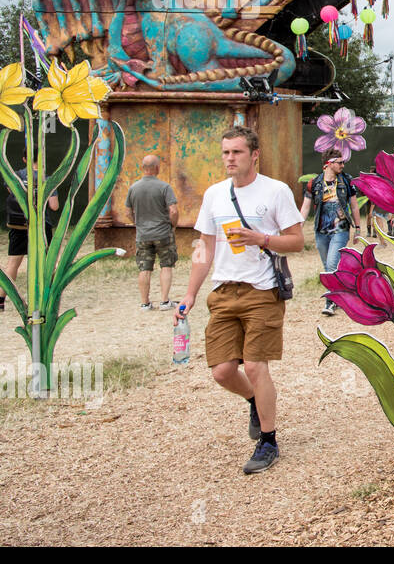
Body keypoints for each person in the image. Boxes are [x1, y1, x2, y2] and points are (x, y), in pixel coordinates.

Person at [178, 126, 304, 475]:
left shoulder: (275, 191)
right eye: (225, 153)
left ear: (254, 155)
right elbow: (204, 248)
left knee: (254, 365)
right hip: (224, 291)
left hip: (262, 291)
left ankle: (268, 441)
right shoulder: (215, 195)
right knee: (221, 372)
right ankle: (253, 400)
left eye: (236, 152)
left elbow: (296, 241)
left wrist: (260, 238)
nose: (229, 159)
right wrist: (189, 293)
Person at [299, 149, 361, 316]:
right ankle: (341, 294)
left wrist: (358, 228)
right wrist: (298, 227)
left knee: (332, 264)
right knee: (328, 266)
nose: (342, 165)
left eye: (343, 162)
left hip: (340, 230)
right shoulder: (314, 183)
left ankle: (330, 302)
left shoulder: (347, 181)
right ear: (328, 164)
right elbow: (305, 207)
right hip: (321, 230)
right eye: (339, 162)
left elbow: (354, 206)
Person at [2, 158, 59, 313]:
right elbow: (54, 206)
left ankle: (1, 300)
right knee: (46, 264)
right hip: (41, 226)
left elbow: (11, 191)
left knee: (13, 264)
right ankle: (46, 299)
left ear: (24, 159)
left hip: (19, 224)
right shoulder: (47, 179)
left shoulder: (17, 175)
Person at [125, 154, 179, 310]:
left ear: (142, 168)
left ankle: (145, 303)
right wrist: (172, 225)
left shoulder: (133, 188)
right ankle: (164, 301)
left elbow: (128, 212)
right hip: (163, 233)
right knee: (166, 266)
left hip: (143, 234)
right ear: (157, 168)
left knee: (144, 268)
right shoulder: (164, 187)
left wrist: (137, 223)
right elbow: (173, 210)